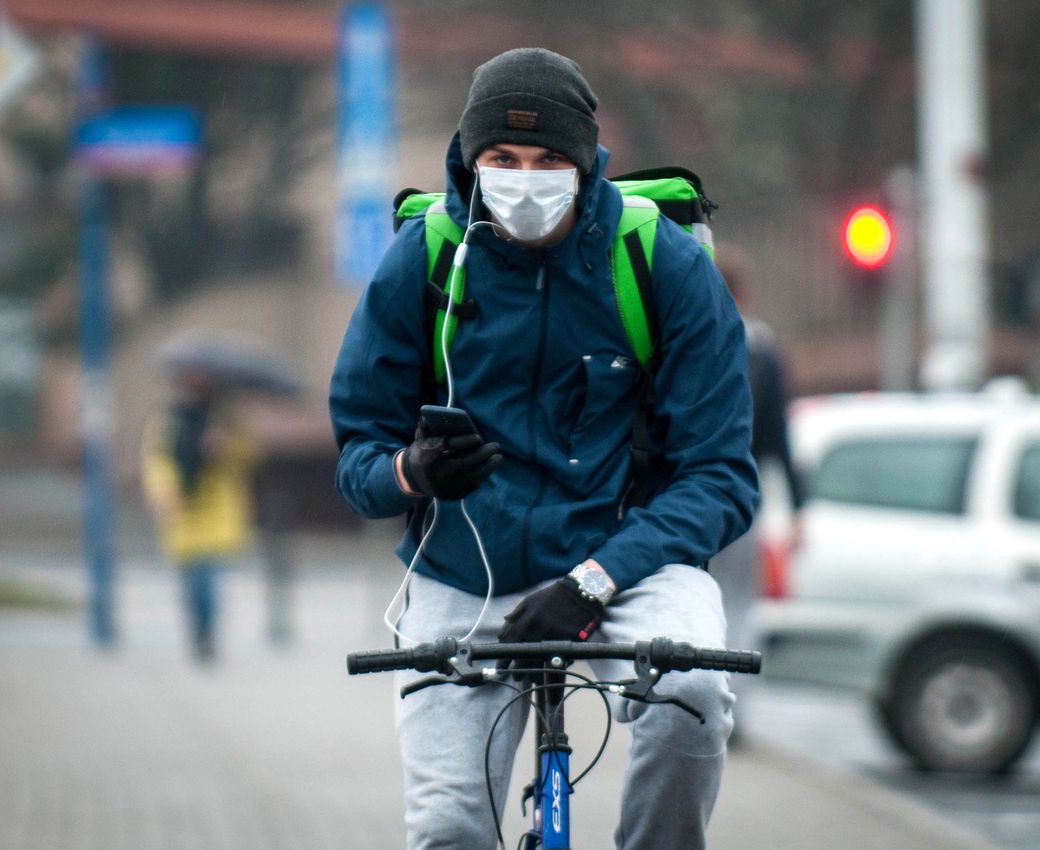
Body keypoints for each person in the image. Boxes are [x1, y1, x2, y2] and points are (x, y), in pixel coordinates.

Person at [329, 48, 757, 850]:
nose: (525, 179)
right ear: (469, 159)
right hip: (466, 565)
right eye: (502, 159)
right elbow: (357, 454)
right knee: (451, 828)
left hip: (630, 560)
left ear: (586, 163)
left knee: (696, 690)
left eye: (549, 160)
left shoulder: (659, 262)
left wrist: (595, 581)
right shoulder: (421, 259)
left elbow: (721, 476)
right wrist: (409, 473)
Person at [708, 249, 807, 748]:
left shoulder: (691, 337)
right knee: (741, 606)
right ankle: (734, 714)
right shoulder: (763, 349)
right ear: (744, 294)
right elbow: (780, 438)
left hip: (691, 494)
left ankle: (694, 704)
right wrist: (800, 509)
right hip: (745, 496)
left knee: (696, 597)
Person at [141, 370, 258, 663]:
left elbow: (250, 458)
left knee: (209, 581)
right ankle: (197, 630)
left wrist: (223, 446)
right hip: (181, 512)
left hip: (217, 514)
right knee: (189, 586)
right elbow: (156, 459)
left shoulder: (226, 422)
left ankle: (207, 634)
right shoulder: (169, 421)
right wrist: (162, 491)